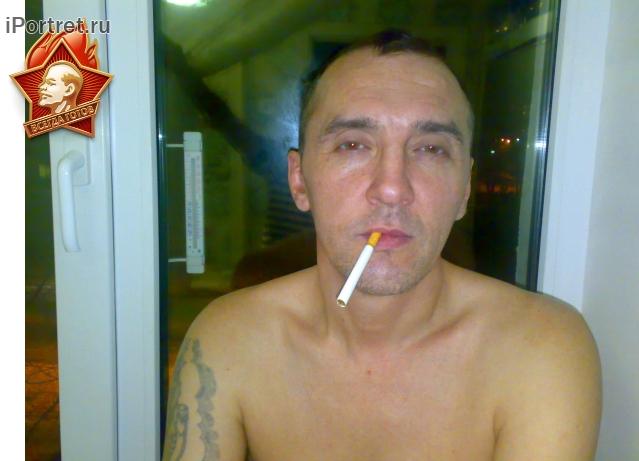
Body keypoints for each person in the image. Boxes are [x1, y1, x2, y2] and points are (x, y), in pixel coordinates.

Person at [162, 30, 601, 461]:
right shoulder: (229, 341)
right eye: (353, 145)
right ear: (299, 181)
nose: (392, 188)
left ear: (464, 188)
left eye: (430, 149)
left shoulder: (539, 348)